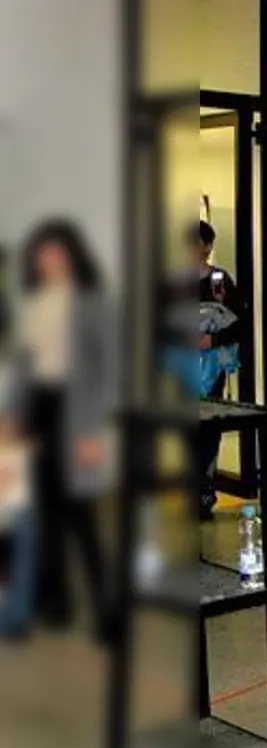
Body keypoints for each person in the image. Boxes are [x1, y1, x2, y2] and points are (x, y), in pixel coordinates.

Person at [15, 220, 116, 637]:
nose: (49, 260)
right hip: (38, 408)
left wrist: (92, 431)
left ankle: (105, 607)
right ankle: (56, 600)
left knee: (80, 512)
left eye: (56, 251)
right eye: (43, 252)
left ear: (72, 254)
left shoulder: (91, 302)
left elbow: (108, 371)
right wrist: (15, 418)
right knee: (45, 511)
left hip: (76, 410)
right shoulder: (33, 303)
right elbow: (24, 366)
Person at [194, 220, 245, 519]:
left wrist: (212, 339)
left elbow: (240, 322)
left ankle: (203, 492)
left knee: (208, 426)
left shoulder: (219, 281)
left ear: (208, 246)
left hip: (211, 366)